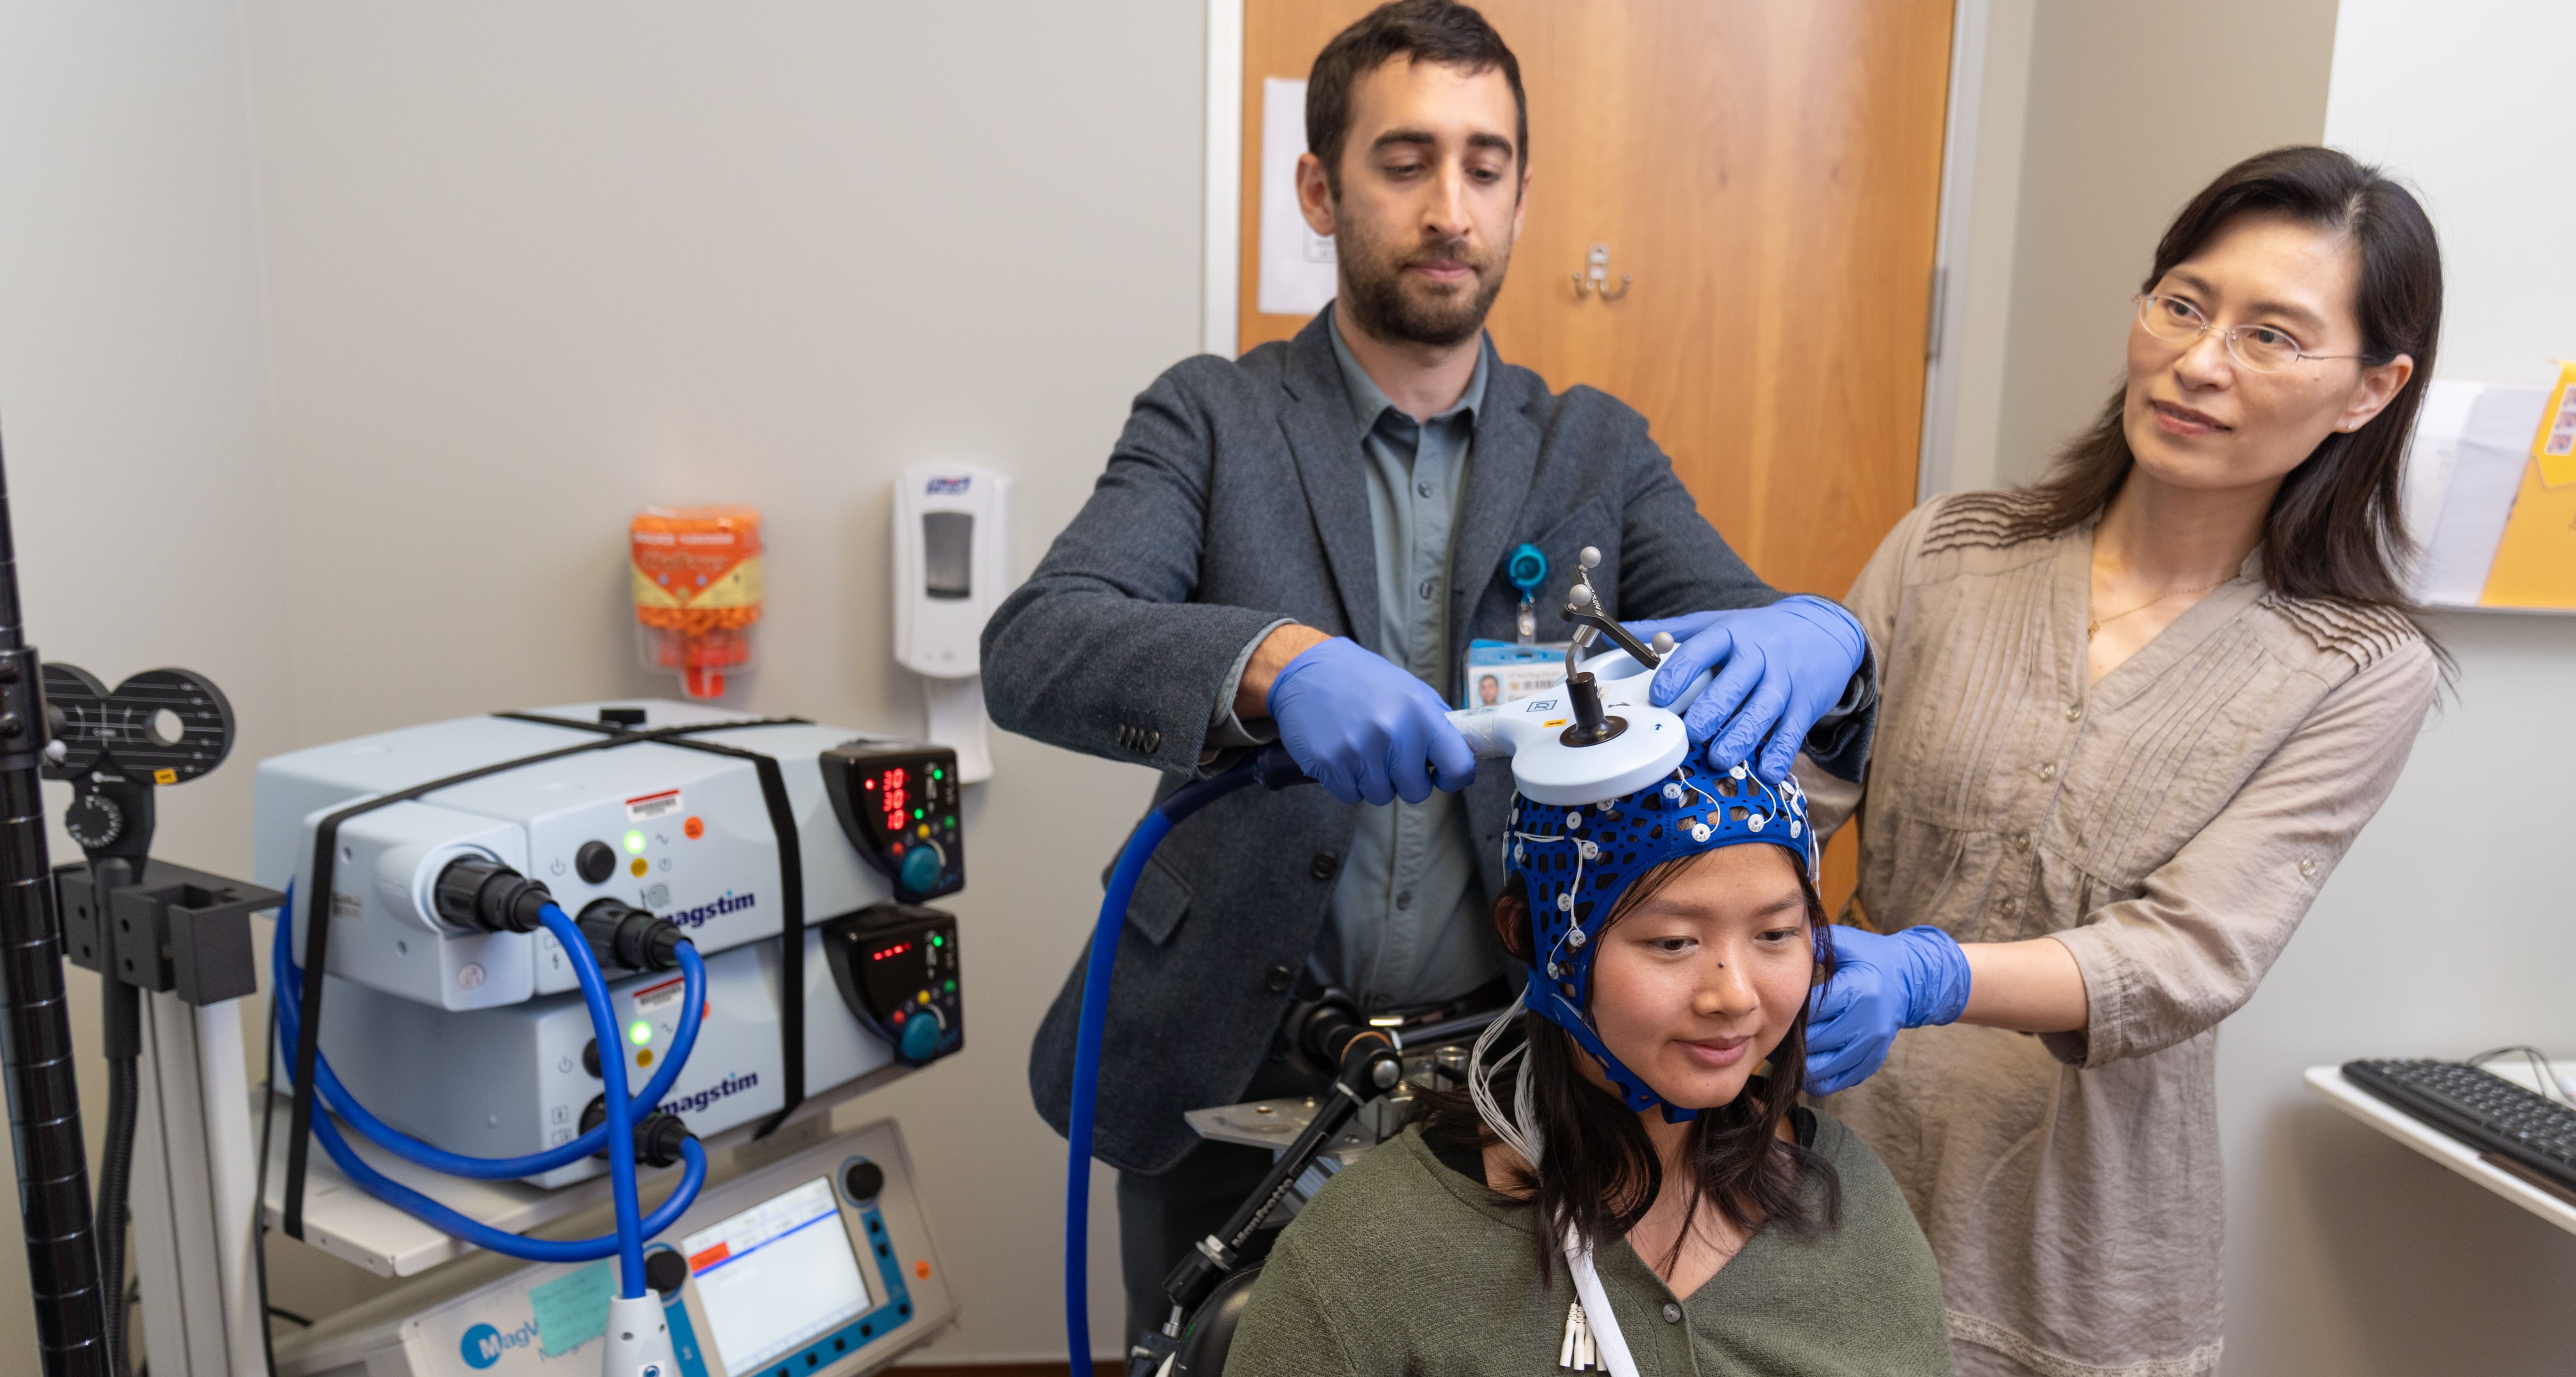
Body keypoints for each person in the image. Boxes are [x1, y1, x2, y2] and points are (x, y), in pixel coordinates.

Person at [980, 0, 1875, 1349]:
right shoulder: (1212, 416)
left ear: (1519, 194)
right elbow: (1040, 641)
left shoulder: (1592, 450)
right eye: (1404, 162)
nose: (1449, 206)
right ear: (1319, 188)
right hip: (1226, 1045)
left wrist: (1826, 637)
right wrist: (1271, 663)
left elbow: (1766, 663)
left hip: (1502, 1072)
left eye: (1485, 163)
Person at [1787, 146, 2444, 1377]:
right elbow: (1785, 805)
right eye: (2182, 303)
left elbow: (2196, 949)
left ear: (2368, 388)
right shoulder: (1948, 550)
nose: (2198, 361)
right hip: (1833, 1142)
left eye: (2269, 336)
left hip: (2079, 1205)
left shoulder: (2354, 666)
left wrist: (1929, 973)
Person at [1223, 758, 1952, 1376]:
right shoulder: (1370, 1254)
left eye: (1776, 932)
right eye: (1672, 942)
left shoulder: (1849, 1207)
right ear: (1538, 939)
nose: (1734, 994)